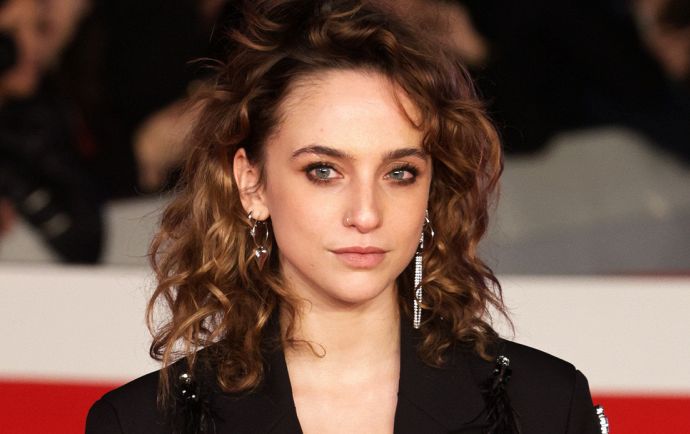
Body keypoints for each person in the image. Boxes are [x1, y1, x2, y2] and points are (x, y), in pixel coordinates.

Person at [86, 0, 606, 433]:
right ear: (251, 183)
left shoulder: (542, 407)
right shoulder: (143, 423)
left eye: (399, 173)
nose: (366, 213)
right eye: (324, 171)